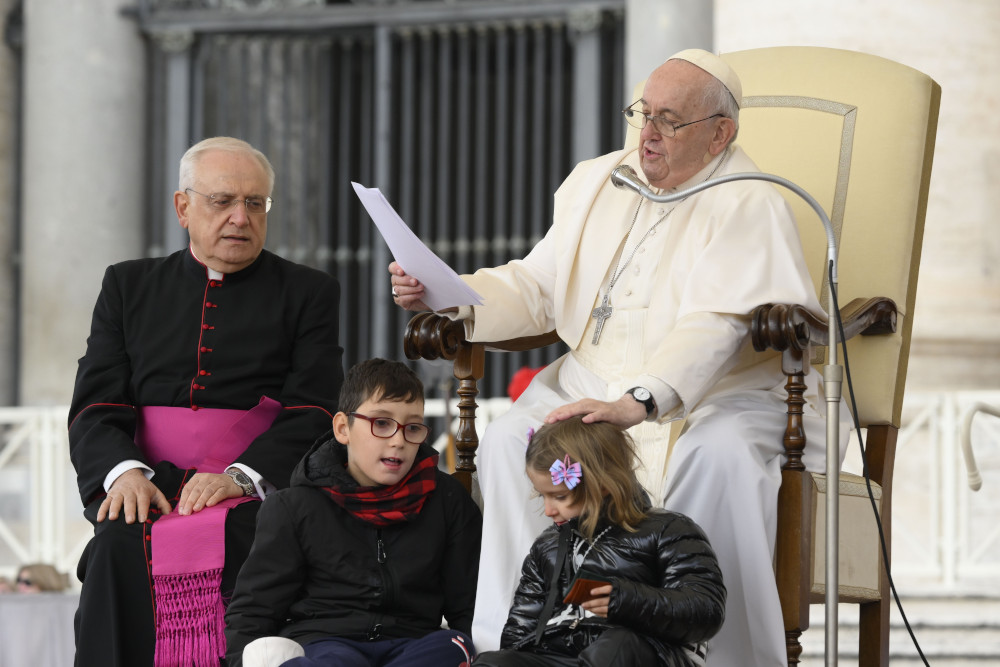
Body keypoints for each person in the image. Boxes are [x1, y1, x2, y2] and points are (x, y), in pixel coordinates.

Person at [389, 49, 851, 665]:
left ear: (721, 134)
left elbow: (718, 324)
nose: (648, 133)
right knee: (507, 441)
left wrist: (638, 402)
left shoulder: (751, 201)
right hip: (588, 381)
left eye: (669, 119)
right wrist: (450, 296)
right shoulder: (598, 180)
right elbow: (539, 286)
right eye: (643, 113)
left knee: (716, 456)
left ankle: (705, 657)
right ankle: (526, 647)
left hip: (715, 396)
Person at [68, 136, 345, 667]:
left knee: (252, 544)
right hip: (147, 483)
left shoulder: (309, 291)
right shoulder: (128, 285)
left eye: (255, 203)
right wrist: (124, 473)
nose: (241, 218)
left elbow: (313, 408)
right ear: (183, 207)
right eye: (223, 201)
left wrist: (241, 476)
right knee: (116, 544)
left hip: (252, 490)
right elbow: (95, 403)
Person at [224, 358, 482, 667]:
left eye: (412, 427)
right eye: (382, 423)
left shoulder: (448, 500)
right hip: (325, 644)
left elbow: (468, 605)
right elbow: (255, 610)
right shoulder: (293, 506)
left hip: (413, 644)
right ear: (343, 428)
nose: (399, 441)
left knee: (453, 646)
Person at [472, 418, 725, 667]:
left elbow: (706, 611)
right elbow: (520, 629)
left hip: (639, 653)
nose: (548, 510)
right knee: (492, 662)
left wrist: (626, 599)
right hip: (561, 654)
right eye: (543, 496)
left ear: (602, 485)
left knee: (615, 648)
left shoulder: (669, 530)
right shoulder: (547, 547)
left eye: (559, 496)